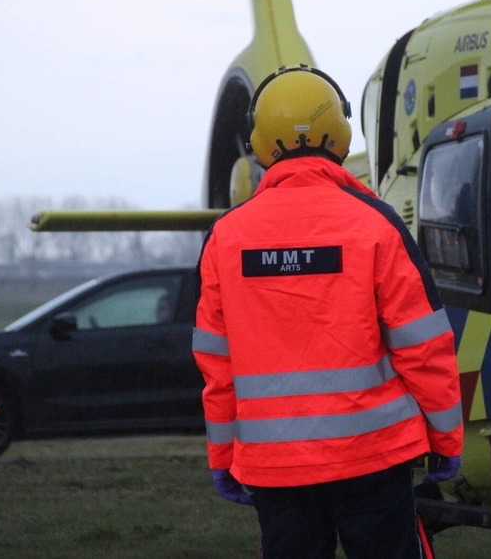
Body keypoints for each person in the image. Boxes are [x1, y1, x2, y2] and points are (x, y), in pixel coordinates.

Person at [192, 64, 464, 559]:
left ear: (260, 140)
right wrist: (445, 439)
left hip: (275, 469)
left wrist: (222, 454)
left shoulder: (226, 238)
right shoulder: (375, 224)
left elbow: (217, 365)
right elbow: (424, 347)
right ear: (339, 133)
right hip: (374, 458)